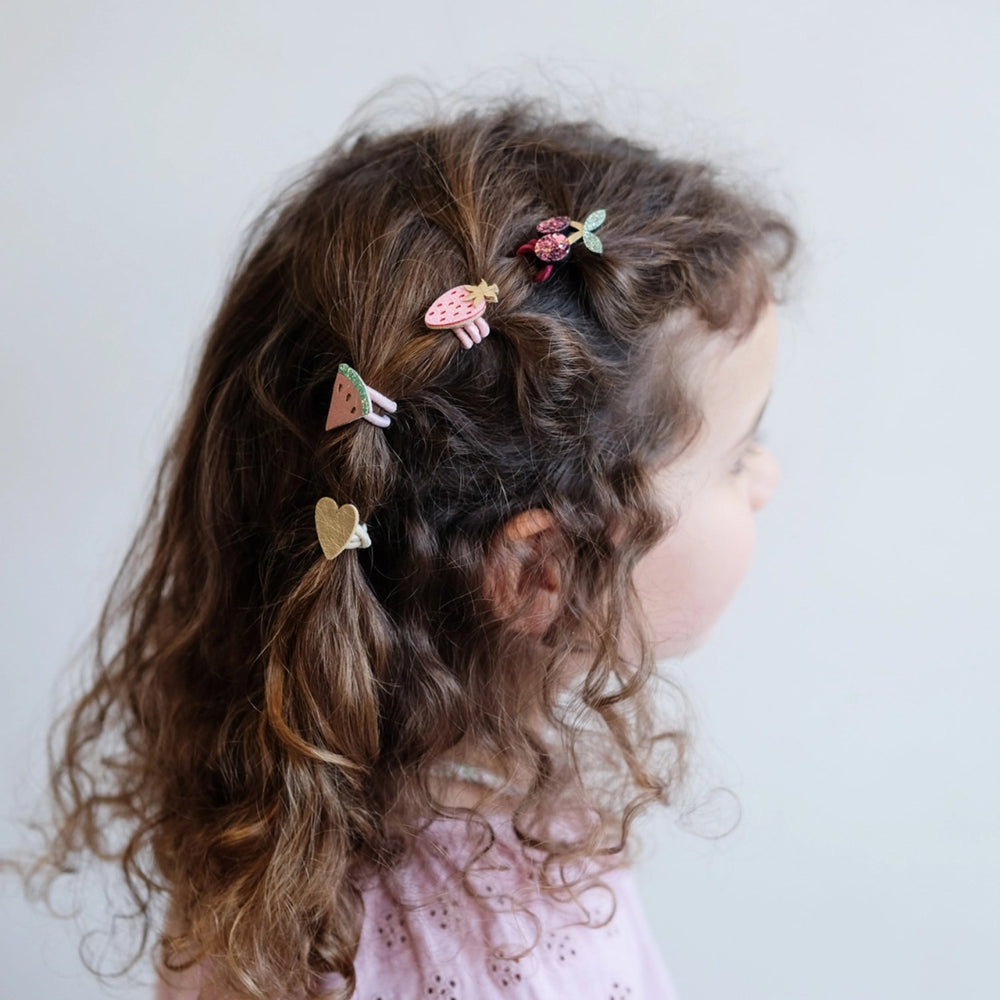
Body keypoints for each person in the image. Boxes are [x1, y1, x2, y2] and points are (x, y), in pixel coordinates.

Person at [10, 99, 796, 999]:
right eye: (739, 453)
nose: (767, 477)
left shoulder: (283, 831)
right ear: (540, 570)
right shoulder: (510, 954)